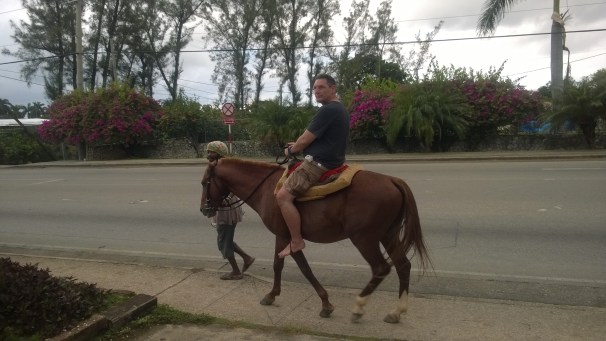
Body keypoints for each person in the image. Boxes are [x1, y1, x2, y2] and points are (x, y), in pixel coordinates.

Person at [275, 74, 349, 258]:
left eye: (321, 87)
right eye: (314, 88)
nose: (316, 91)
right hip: (332, 160)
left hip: (318, 164)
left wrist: (291, 151)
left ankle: (296, 240)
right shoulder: (340, 109)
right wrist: (298, 145)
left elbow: (305, 139)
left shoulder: (328, 110)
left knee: (283, 197)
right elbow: (319, 140)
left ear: (333, 88)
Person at [205, 141, 255, 280]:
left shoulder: (223, 168)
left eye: (212, 152)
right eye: (208, 151)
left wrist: (223, 200)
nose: (209, 154)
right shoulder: (218, 166)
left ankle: (236, 271)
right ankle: (246, 258)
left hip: (226, 208)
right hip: (225, 207)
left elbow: (232, 186)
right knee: (225, 239)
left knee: (223, 242)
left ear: (220, 154)